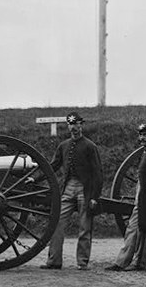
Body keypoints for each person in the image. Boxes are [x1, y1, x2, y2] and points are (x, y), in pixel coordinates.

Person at [41, 111, 103, 270]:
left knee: (84, 227)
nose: (73, 127)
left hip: (85, 190)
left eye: (76, 124)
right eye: (70, 124)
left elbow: (97, 173)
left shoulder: (90, 146)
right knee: (56, 223)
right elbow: (53, 166)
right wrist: (34, 178)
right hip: (68, 188)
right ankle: (54, 261)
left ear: (81, 125)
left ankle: (82, 263)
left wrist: (95, 196)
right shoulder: (64, 145)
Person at [106, 122, 146, 272]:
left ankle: (124, 262)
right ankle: (139, 262)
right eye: (141, 135)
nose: (143, 138)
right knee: (141, 228)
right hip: (143, 193)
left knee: (136, 228)